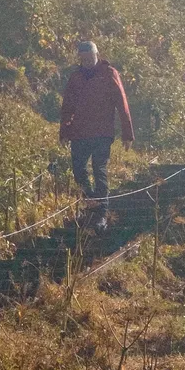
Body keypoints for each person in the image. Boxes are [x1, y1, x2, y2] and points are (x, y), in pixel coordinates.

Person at [59, 38, 134, 234]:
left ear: (96, 55)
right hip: (79, 132)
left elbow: (122, 103)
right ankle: (91, 201)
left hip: (102, 132)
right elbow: (67, 106)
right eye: (83, 58)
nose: (86, 60)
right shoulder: (76, 77)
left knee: (99, 169)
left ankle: (101, 213)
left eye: (89, 56)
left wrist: (127, 134)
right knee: (78, 169)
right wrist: (64, 132)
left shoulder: (109, 73)